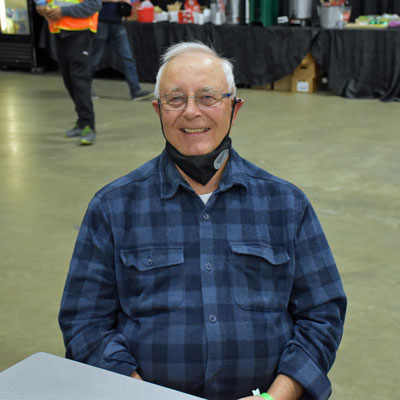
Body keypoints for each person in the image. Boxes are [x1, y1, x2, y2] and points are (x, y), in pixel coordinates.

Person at [59, 41, 347, 400]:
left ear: (234, 108)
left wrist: (277, 396)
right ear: (158, 110)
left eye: (208, 97)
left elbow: (323, 315)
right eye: (175, 99)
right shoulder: (113, 207)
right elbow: (84, 323)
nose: (191, 112)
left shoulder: (286, 204)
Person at [36, 0, 101, 145]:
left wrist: (62, 12)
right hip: (60, 32)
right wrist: (41, 6)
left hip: (80, 34)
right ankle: (81, 121)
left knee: (80, 82)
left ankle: (88, 126)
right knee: (69, 80)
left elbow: (94, 5)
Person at [91, 0, 152, 101]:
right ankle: (85, 89)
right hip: (100, 21)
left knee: (127, 57)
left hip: (117, 21)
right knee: (94, 58)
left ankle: (136, 91)